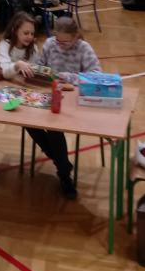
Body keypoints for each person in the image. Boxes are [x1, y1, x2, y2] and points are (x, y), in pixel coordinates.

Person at [35, 17, 102, 199]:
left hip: (74, 101)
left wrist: (68, 77)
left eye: (66, 42)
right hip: (51, 94)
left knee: (54, 128)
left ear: (75, 37)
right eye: (58, 40)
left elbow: (96, 75)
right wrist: (39, 72)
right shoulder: (50, 44)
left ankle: (64, 173)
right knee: (28, 121)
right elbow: (40, 66)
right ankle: (62, 164)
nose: (61, 45)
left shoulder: (84, 48)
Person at [0, 12, 43, 164]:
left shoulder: (33, 48)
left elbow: (34, 71)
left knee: (33, 123)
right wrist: (17, 65)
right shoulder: (4, 45)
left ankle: (55, 157)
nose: (29, 37)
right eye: (26, 33)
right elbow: (5, 72)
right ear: (15, 30)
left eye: (32, 33)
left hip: (20, 91)